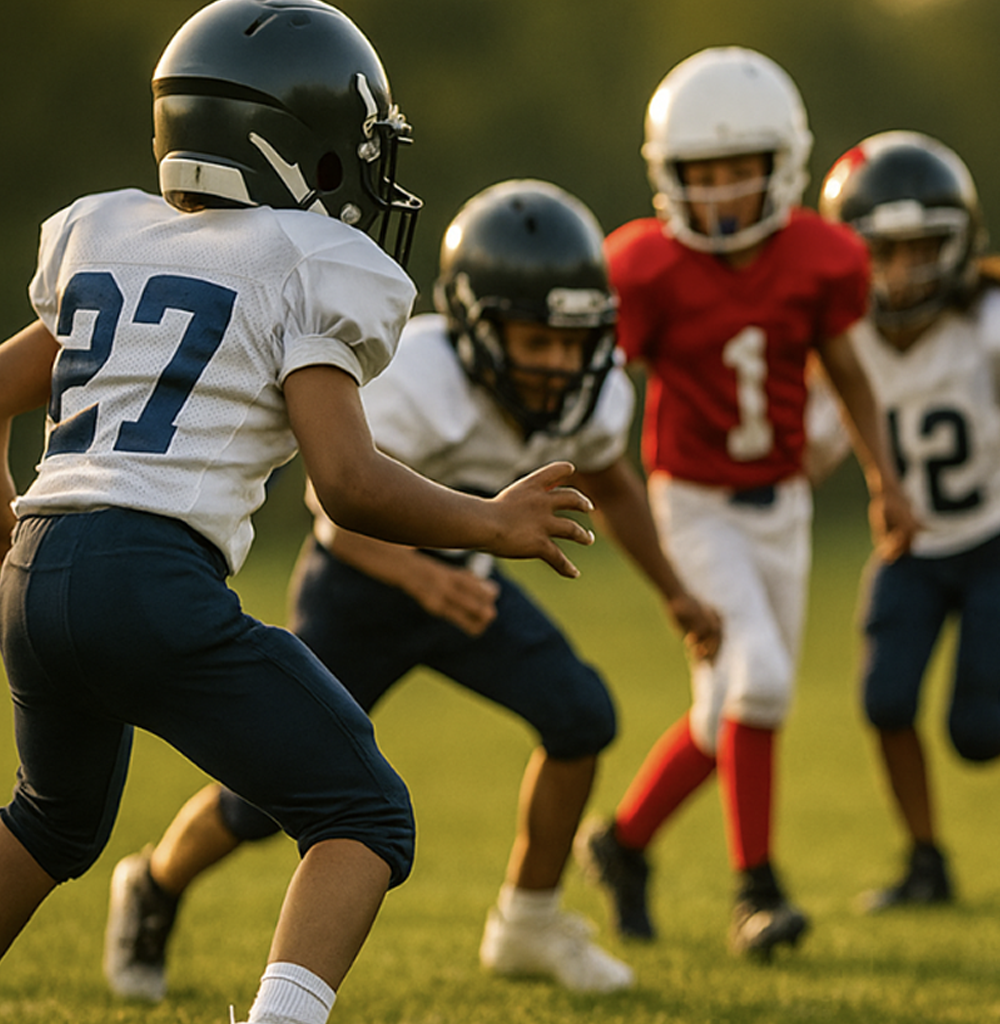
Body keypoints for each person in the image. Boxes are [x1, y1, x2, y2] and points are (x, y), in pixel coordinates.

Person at [0, 3, 598, 1024]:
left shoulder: (109, 234)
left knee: (51, 822)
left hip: (33, 575)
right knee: (363, 815)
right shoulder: (301, 261)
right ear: (305, 146)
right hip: (149, 575)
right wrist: (491, 521)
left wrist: (10, 510)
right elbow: (346, 482)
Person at [100, 180, 716, 1001]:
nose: (560, 364)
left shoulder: (592, 391)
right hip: (361, 583)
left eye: (575, 342)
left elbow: (615, 478)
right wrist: (421, 573)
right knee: (261, 800)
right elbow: (332, 502)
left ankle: (527, 921)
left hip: (461, 579)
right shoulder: (415, 374)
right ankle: (154, 882)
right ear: (475, 325)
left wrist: (673, 589)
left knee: (581, 715)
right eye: (537, 340)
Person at [576, 45, 919, 960]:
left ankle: (623, 841)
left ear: (782, 169)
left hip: (785, 506)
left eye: (741, 173)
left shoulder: (820, 255)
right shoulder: (644, 267)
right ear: (670, 178)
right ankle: (755, 893)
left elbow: (845, 372)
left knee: (723, 710)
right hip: (692, 501)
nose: (724, 196)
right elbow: (604, 400)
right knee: (760, 682)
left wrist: (885, 478)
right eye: (704, 176)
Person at [816, 130, 1000, 910]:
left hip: (992, 544)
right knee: (883, 701)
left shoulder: (997, 323)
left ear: (961, 243)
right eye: (885, 252)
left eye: (922, 249)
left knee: (975, 731)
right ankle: (925, 861)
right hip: (908, 547)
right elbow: (814, 448)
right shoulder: (842, 338)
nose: (904, 271)